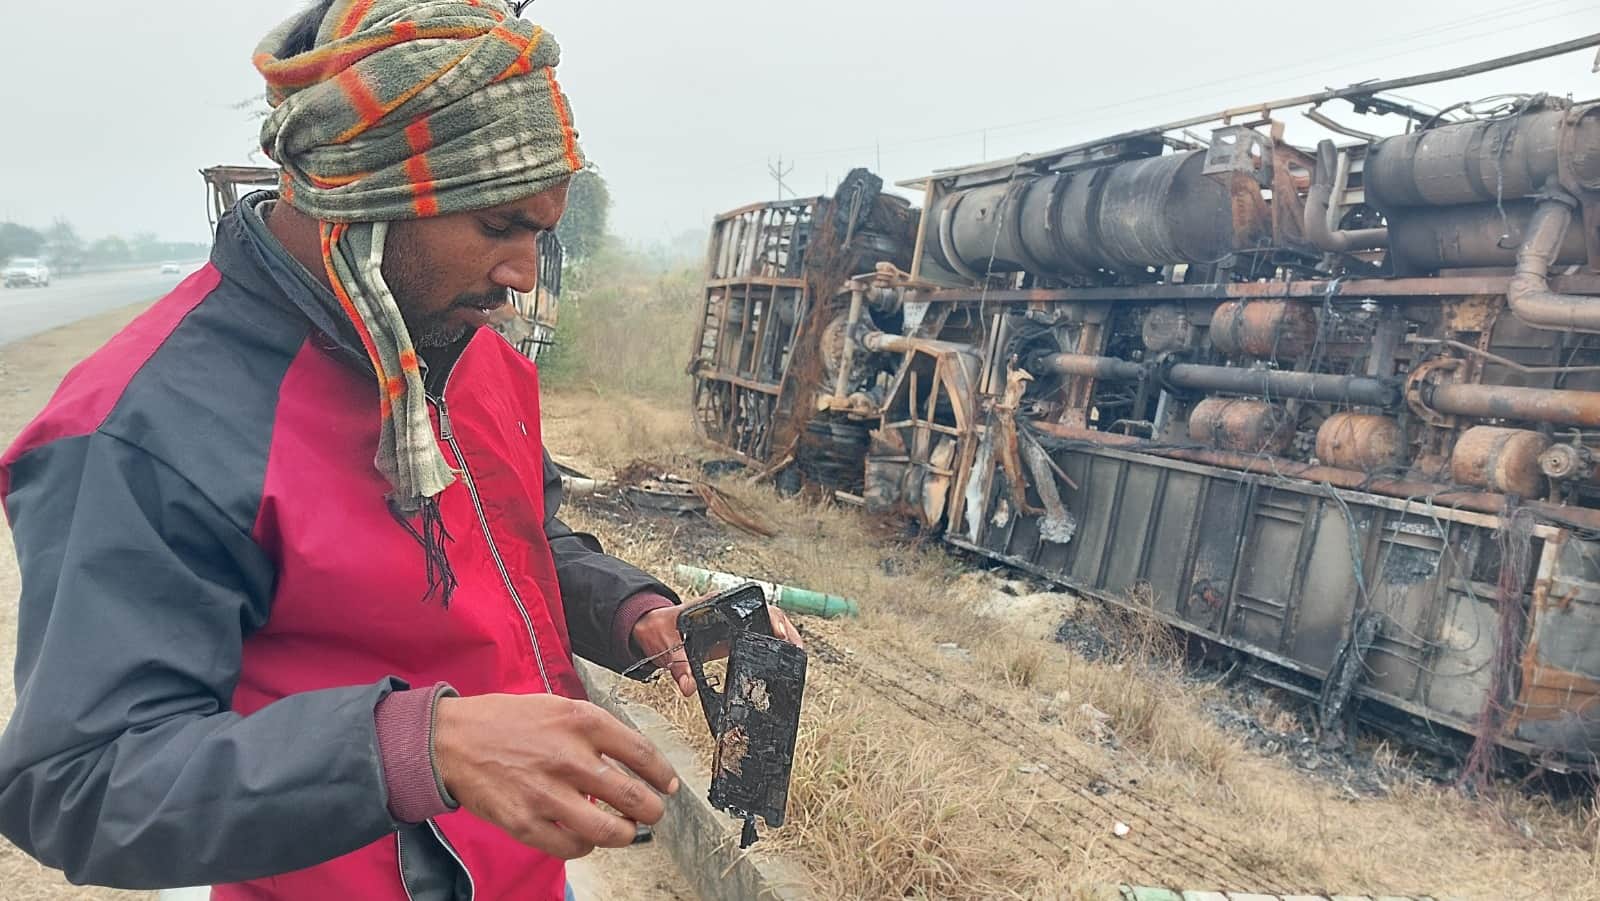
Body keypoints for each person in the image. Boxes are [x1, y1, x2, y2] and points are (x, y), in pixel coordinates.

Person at [0, 2, 797, 898]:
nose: (524, 275)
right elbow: (78, 783)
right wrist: (423, 747)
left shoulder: (471, 357)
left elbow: (518, 545)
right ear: (361, 196)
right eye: (498, 226)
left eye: (543, 231)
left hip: (527, 874)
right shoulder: (146, 424)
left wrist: (634, 612)